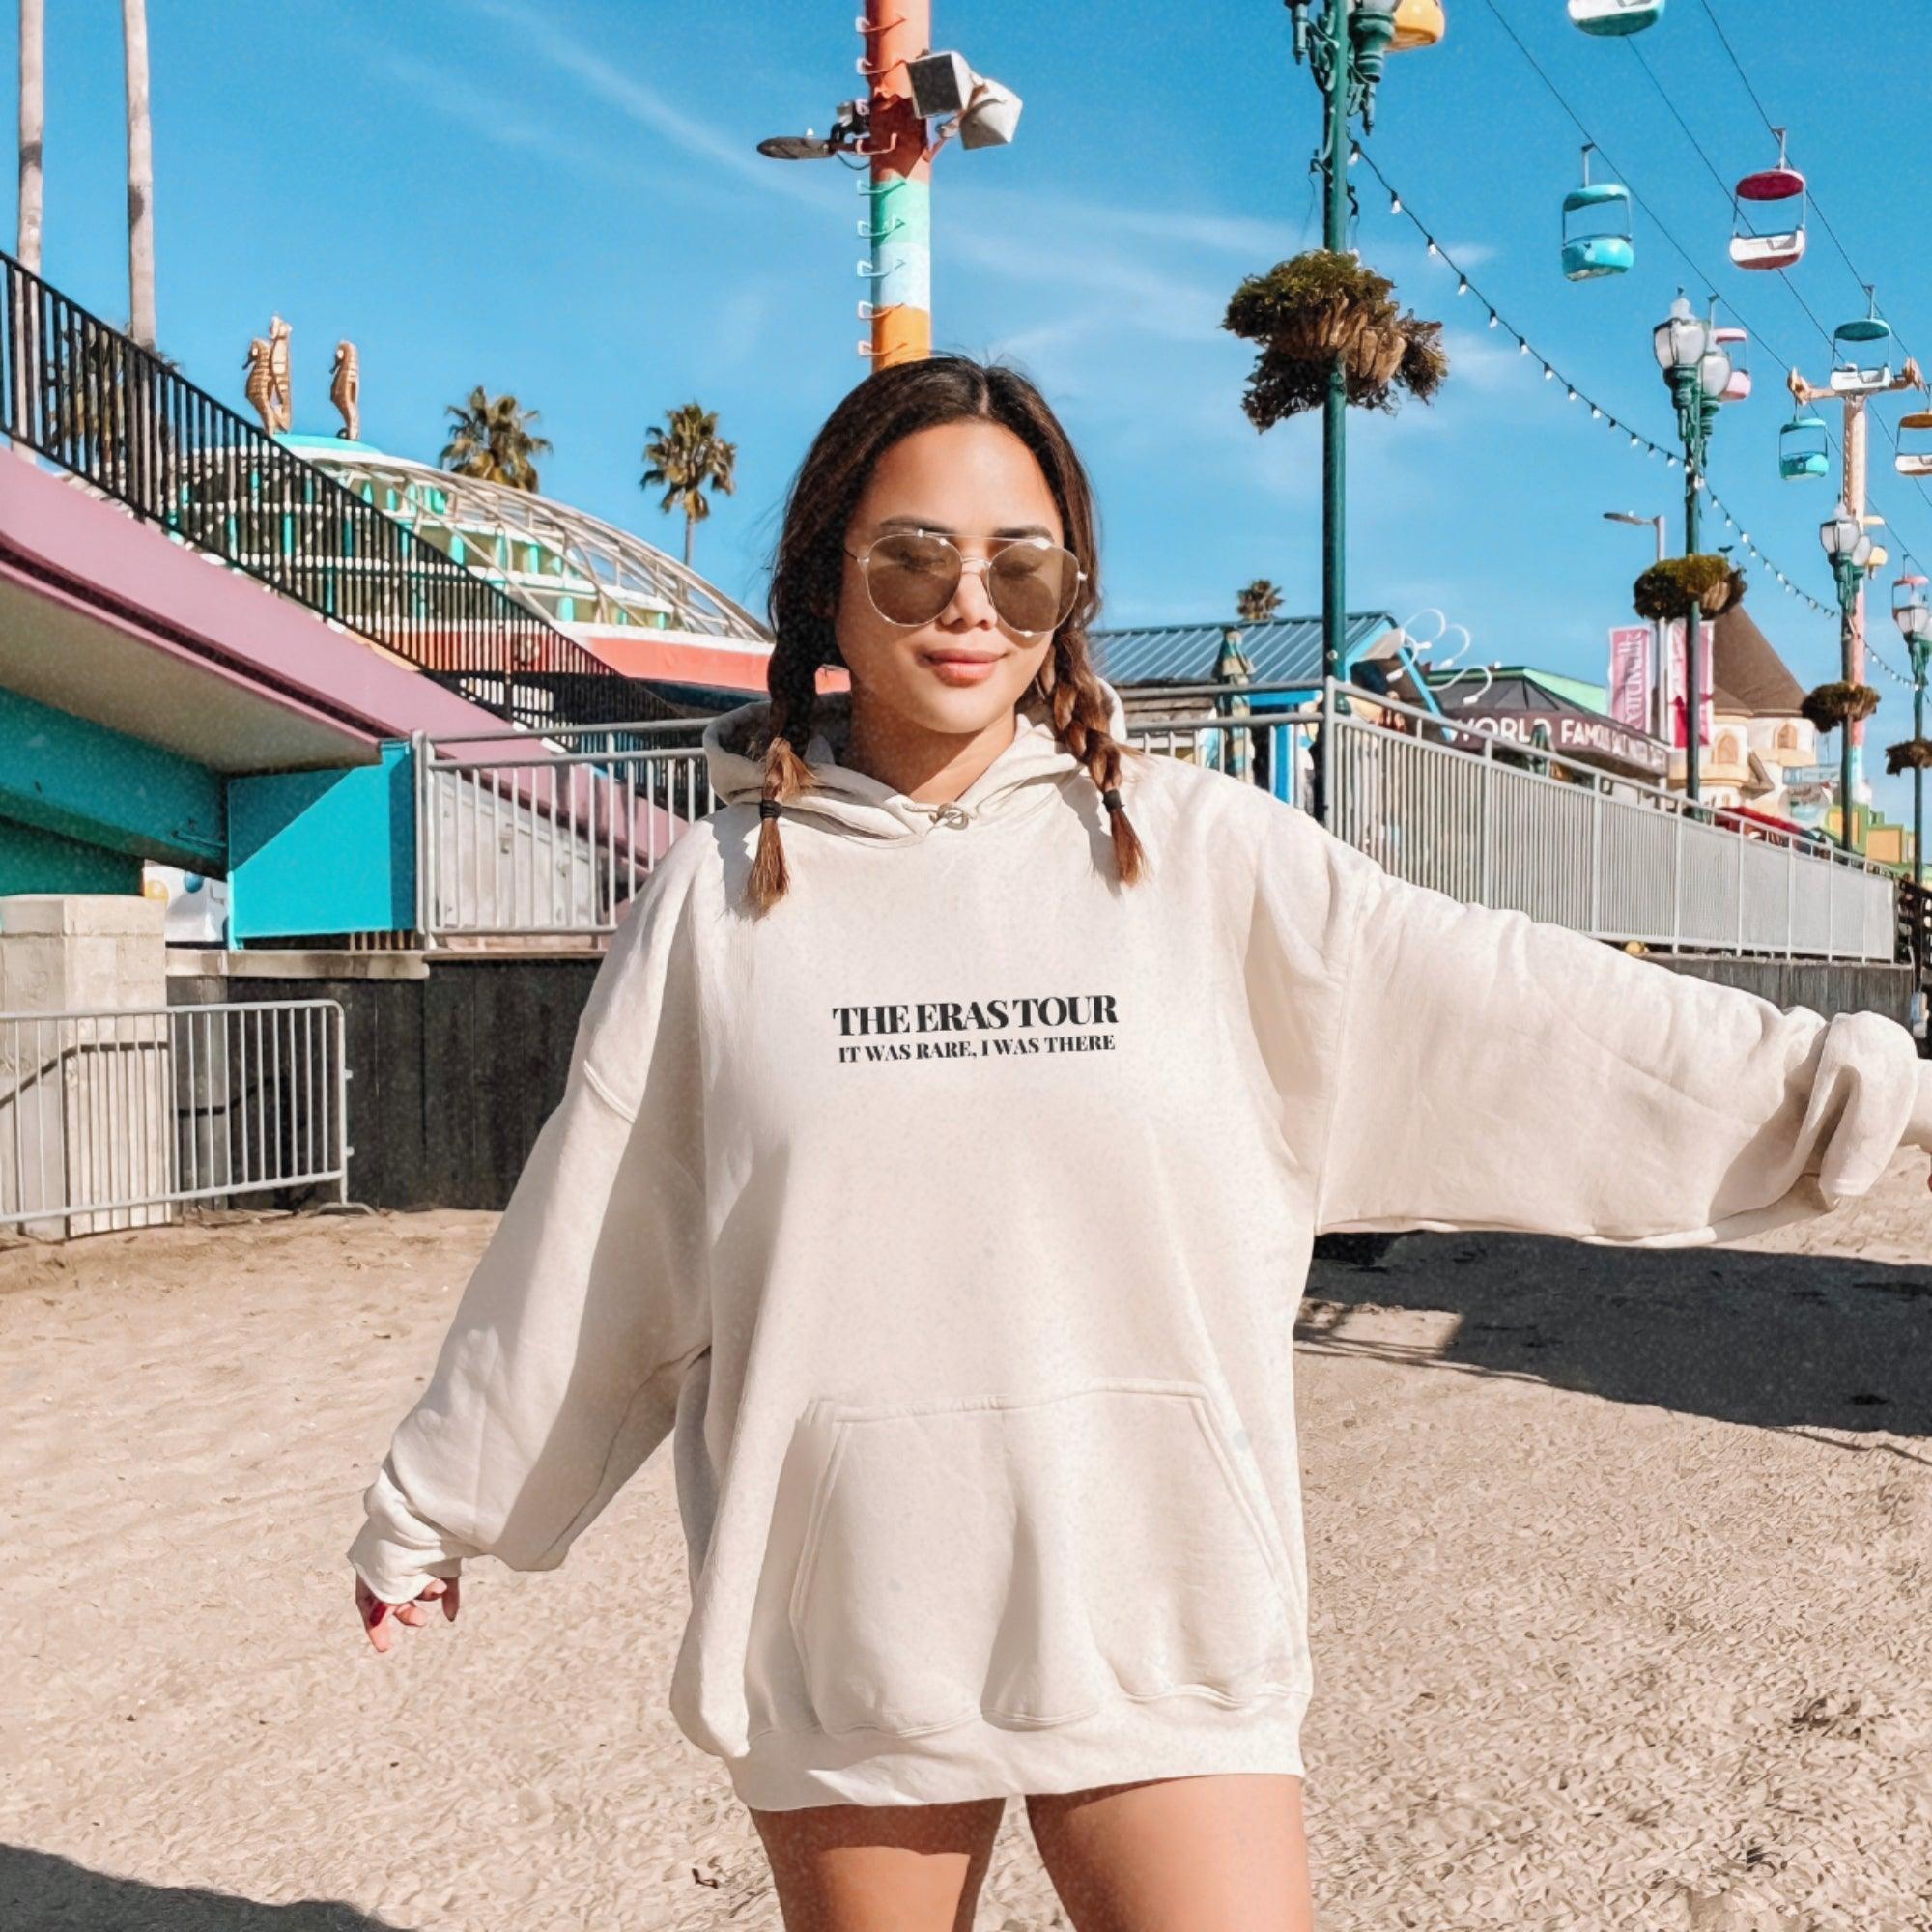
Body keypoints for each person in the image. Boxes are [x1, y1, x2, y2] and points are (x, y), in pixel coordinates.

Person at [347, 354, 1932, 1932]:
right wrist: (445, 1503)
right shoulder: (715, 900)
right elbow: (601, 1226)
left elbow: (1522, 1013)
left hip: (1164, 1604)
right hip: (847, 1623)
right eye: (913, 557)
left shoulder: (1200, 860)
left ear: (1068, 595)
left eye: (1019, 565)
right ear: (825, 582)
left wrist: (1841, 1088)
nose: (969, 602)